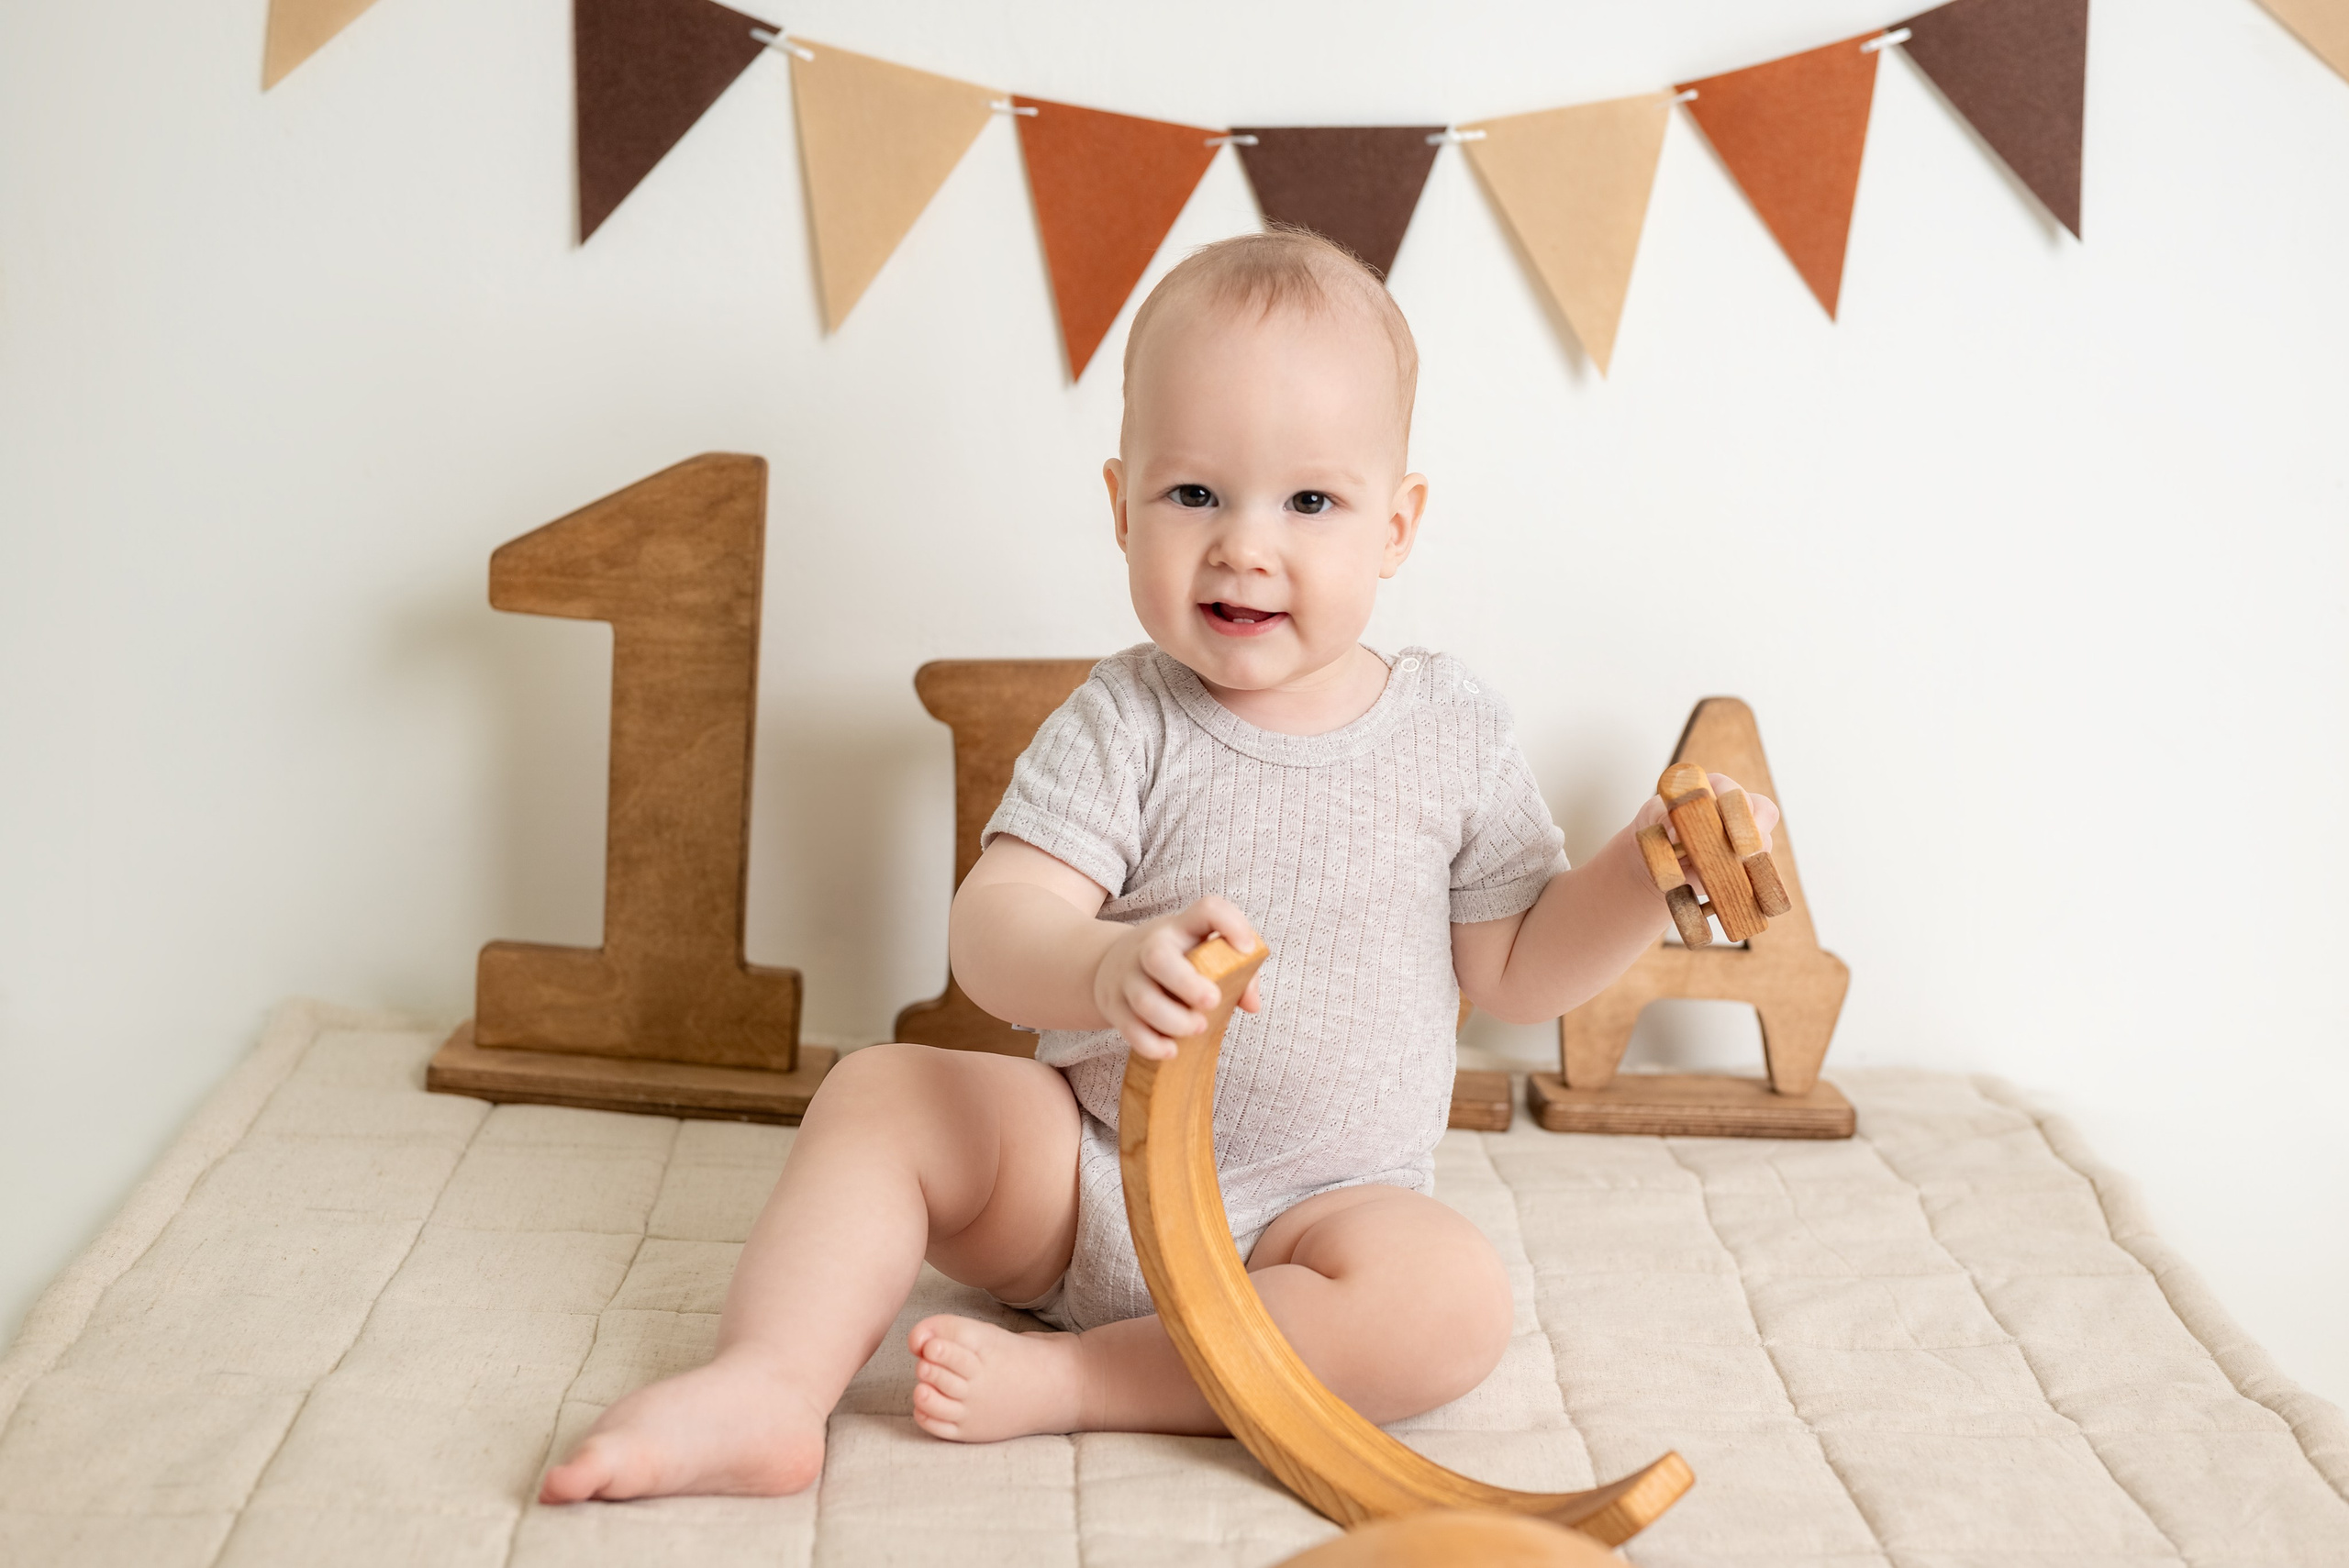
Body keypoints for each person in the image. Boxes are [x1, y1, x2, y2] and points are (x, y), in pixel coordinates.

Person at [539, 228, 1773, 1503]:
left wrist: (1645, 870)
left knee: (1453, 1298)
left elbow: (1517, 973)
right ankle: (769, 1383)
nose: (1245, 545)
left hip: (1319, 1218)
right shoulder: (1126, 718)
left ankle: (1090, 1383)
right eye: (1195, 495)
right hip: (1082, 1177)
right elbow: (994, 926)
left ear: (1396, 524)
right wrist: (1106, 960)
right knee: (880, 1094)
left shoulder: (1451, 731)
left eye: (1310, 502)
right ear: (1120, 502)